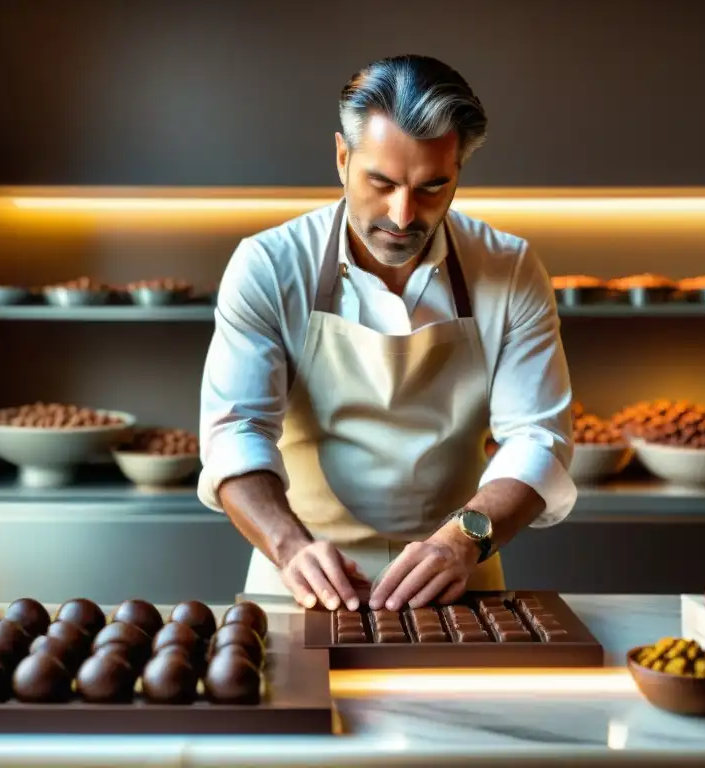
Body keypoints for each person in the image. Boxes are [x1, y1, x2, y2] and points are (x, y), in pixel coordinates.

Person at [197, 54, 576, 613]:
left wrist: (462, 540)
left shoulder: (510, 269)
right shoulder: (269, 265)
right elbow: (236, 429)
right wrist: (289, 545)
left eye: (432, 187)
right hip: (300, 577)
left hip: (460, 578)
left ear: (458, 174)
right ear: (342, 157)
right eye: (382, 182)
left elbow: (538, 438)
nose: (403, 215)